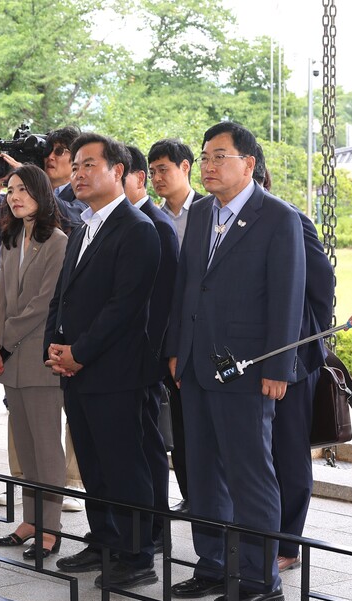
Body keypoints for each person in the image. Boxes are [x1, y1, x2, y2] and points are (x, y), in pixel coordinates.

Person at [166, 121, 305, 601]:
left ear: (248, 163)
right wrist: (177, 350)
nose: (207, 165)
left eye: (219, 156)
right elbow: (188, 288)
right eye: (204, 156)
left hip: (249, 369)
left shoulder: (278, 218)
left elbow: (287, 299)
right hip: (198, 366)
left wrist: (279, 367)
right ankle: (210, 567)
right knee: (201, 472)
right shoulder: (202, 213)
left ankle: (260, 577)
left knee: (250, 475)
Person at [44, 133, 160, 589]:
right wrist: (54, 347)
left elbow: (124, 306)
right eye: (75, 166)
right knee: (92, 464)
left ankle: (137, 556)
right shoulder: (83, 226)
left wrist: (81, 353)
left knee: (124, 466)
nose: (78, 174)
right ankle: (105, 541)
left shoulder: (137, 229)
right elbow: (63, 296)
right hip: (76, 370)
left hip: (116, 372)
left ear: (118, 171)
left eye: (90, 165)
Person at [251, 145, 335, 573]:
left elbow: (321, 286)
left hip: (294, 359)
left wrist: (305, 343)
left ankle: (287, 543)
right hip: (255, 358)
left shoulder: (289, 218)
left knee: (288, 450)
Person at [0, 164, 68, 561]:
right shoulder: (12, 238)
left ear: (42, 193)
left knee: (48, 451)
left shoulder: (59, 242)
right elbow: (0, 294)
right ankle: (30, 520)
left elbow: (43, 304)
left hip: (39, 360)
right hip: (13, 361)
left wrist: (8, 340)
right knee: (26, 450)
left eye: (23, 190)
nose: (14, 196)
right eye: (11, 190)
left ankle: (51, 529)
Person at [124, 144, 180, 551]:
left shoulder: (155, 224)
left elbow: (162, 301)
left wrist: (155, 355)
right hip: (120, 358)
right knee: (128, 447)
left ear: (135, 178)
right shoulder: (117, 222)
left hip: (144, 357)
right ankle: (127, 525)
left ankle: (155, 530)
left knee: (148, 445)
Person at [147, 138, 204, 514]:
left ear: (186, 168)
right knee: (179, 429)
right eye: (152, 171)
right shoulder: (152, 218)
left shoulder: (209, 211)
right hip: (164, 340)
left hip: (205, 341)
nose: (157, 178)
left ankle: (212, 500)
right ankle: (191, 496)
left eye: (164, 169)